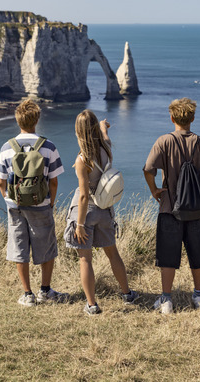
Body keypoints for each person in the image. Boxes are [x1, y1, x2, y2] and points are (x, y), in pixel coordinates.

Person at [143, 98, 200, 314]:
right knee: (197, 252)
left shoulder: (164, 141)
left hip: (169, 208)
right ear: (193, 118)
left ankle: (166, 300)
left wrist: (154, 190)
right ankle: (198, 295)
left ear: (171, 118)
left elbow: (148, 169)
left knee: (167, 255)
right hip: (196, 208)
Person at [64, 109, 139, 315]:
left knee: (85, 259)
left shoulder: (82, 160)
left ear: (78, 132)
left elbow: (83, 196)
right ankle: (127, 294)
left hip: (86, 212)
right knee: (113, 253)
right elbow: (105, 136)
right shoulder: (106, 148)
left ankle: (92, 304)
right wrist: (103, 128)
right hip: (105, 209)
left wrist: (79, 225)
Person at [0, 99, 68, 307]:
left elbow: (1, 182)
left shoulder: (6, 148)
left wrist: (9, 199)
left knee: (19, 248)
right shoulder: (48, 146)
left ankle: (27, 294)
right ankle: (45, 290)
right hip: (42, 204)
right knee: (46, 246)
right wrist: (51, 202)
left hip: (15, 206)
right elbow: (53, 181)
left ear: (17, 120)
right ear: (37, 119)